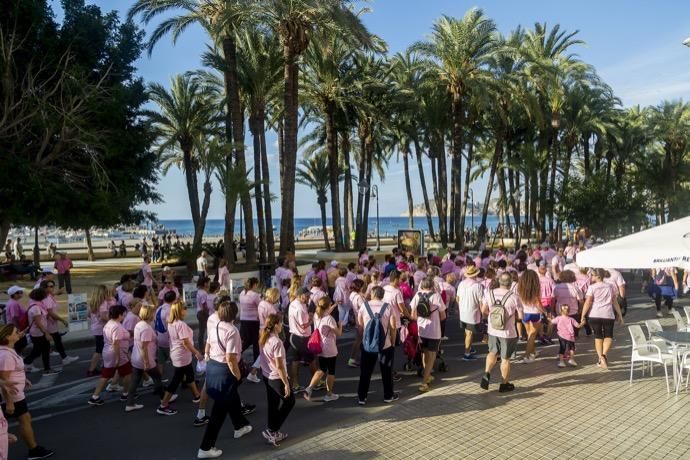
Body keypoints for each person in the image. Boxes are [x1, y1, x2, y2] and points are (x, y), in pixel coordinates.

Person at [199, 301, 252, 458]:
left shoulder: (215, 324)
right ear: (234, 314)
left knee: (232, 398)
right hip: (224, 371)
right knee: (218, 412)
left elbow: (208, 343)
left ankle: (240, 426)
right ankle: (205, 448)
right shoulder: (232, 330)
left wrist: (207, 356)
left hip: (213, 368)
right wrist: (237, 374)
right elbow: (230, 357)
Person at [0, 325, 54, 459]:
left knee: (25, 419)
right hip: (13, 396)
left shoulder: (8, 351)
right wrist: (10, 402)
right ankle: (34, 450)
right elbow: (3, 380)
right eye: (15, 332)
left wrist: (25, 379)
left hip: (16, 394)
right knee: (24, 420)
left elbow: (13, 371)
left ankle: (33, 449)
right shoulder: (6, 355)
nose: (19, 333)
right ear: (7, 337)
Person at [480, 273, 522, 393]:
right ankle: (504, 384)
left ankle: (486, 373)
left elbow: (483, 310)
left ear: (499, 281)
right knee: (505, 359)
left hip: (492, 330)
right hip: (508, 332)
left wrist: (494, 317)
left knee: (492, 352)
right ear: (510, 283)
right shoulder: (514, 297)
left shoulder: (489, 293)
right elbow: (521, 316)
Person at [158, 302, 202, 415]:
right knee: (176, 380)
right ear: (180, 311)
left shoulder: (171, 322)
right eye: (185, 308)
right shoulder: (180, 324)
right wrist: (196, 352)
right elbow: (185, 342)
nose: (186, 311)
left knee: (189, 374)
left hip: (178, 354)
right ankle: (163, 404)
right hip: (181, 355)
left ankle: (197, 395)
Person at [357, 286, 398, 405]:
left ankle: (362, 397)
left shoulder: (364, 306)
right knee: (386, 371)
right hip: (385, 345)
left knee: (365, 372)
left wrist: (362, 339)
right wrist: (393, 342)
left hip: (367, 346)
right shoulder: (388, 307)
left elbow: (360, 327)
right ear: (382, 295)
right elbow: (393, 327)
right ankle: (388, 395)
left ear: (372, 294)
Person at [259, 313, 294, 447]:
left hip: (267, 376)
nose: (282, 326)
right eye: (281, 323)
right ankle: (272, 430)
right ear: (276, 325)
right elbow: (279, 366)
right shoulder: (277, 342)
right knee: (290, 401)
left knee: (273, 404)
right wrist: (286, 383)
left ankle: (273, 430)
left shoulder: (263, 338)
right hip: (276, 377)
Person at [87, 305, 132, 406]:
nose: (124, 316)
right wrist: (117, 359)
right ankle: (126, 394)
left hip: (107, 352)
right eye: (123, 314)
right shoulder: (117, 326)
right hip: (117, 353)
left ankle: (95, 396)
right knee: (128, 373)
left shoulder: (109, 323)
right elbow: (116, 343)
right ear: (119, 315)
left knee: (105, 375)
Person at [580, 269, 624, 370]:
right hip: (608, 314)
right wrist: (620, 315)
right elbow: (614, 301)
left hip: (595, 314)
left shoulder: (592, 287)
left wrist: (582, 315)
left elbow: (588, 302)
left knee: (598, 337)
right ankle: (604, 355)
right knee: (608, 336)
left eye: (592, 275)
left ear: (597, 276)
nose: (591, 277)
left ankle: (600, 359)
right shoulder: (610, 287)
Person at [411, 278, 446, 393]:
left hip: (422, 330)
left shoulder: (417, 295)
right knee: (431, 356)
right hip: (434, 330)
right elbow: (443, 316)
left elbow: (413, 315)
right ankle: (424, 382)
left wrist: (421, 319)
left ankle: (427, 374)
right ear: (432, 286)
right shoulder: (436, 296)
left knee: (424, 352)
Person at [303, 297, 342, 402]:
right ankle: (329, 394)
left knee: (322, 369)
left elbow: (325, 311)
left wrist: (334, 305)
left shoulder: (317, 315)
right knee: (331, 371)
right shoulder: (329, 319)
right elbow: (338, 333)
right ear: (328, 306)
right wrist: (341, 325)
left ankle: (309, 388)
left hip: (320, 346)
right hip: (330, 347)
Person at [40, 281, 78, 366]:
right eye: (49, 286)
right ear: (44, 288)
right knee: (54, 342)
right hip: (50, 323)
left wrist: (58, 292)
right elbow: (50, 313)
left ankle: (64, 358)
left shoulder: (48, 295)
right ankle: (29, 362)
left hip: (51, 322)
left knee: (55, 341)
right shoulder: (46, 298)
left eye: (53, 286)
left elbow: (52, 295)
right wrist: (62, 320)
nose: (52, 288)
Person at [23, 289, 60, 376]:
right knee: (40, 351)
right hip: (38, 333)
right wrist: (46, 333)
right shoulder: (36, 308)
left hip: (38, 332)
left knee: (41, 350)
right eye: (45, 295)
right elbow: (38, 323)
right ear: (41, 296)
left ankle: (46, 368)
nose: (46, 296)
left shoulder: (38, 305)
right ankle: (24, 364)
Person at [287, 287, 316, 392]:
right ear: (299, 296)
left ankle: (295, 385)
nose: (309, 297)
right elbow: (304, 325)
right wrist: (311, 319)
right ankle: (316, 382)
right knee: (311, 360)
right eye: (306, 295)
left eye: (309, 295)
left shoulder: (293, 303)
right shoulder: (300, 308)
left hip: (294, 336)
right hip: (303, 338)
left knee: (295, 361)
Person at [516, 270, 545, 364]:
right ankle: (527, 355)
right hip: (535, 314)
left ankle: (533, 352)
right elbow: (537, 303)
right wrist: (545, 311)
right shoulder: (536, 289)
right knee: (532, 335)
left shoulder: (520, 288)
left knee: (529, 334)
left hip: (524, 313)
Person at [87, 285, 116, 377]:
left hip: (95, 328)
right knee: (100, 350)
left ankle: (104, 365)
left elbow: (88, 315)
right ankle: (91, 369)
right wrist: (113, 320)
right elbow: (104, 316)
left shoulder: (94, 302)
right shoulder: (103, 303)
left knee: (102, 348)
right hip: (101, 328)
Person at [456, 266, 483, 361]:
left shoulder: (461, 284)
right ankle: (467, 353)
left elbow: (457, 299)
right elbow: (481, 302)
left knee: (467, 332)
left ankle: (469, 348)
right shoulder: (478, 286)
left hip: (463, 311)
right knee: (469, 333)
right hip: (472, 312)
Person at [238, 278, 262, 369]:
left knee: (246, 340)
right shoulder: (255, 295)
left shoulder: (242, 293)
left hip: (244, 320)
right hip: (254, 321)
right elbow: (260, 305)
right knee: (256, 342)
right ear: (254, 284)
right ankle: (256, 363)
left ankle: (238, 352)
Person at [155, 291, 177, 376]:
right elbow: (171, 325)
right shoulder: (170, 310)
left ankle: (159, 380)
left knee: (161, 361)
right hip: (168, 339)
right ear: (174, 299)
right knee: (176, 360)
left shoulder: (159, 308)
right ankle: (182, 379)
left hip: (159, 338)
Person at [347, 279, 366, 367]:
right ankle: (352, 359)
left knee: (359, 340)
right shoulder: (359, 297)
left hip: (357, 319)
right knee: (359, 340)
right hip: (362, 321)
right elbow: (365, 309)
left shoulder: (352, 295)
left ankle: (353, 358)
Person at [5, 286, 28, 354]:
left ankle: (17, 355)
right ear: (13, 294)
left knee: (20, 343)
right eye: (18, 293)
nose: (20, 294)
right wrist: (18, 329)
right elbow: (14, 317)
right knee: (21, 343)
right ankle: (17, 356)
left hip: (15, 327)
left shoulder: (14, 302)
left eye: (21, 292)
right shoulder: (14, 303)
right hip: (15, 327)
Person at [196, 277, 211, 352]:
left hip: (199, 312)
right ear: (205, 284)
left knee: (202, 330)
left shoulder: (200, 291)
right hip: (203, 313)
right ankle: (202, 348)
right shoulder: (203, 293)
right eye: (209, 282)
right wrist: (208, 313)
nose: (209, 284)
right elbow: (204, 305)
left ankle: (202, 347)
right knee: (203, 331)